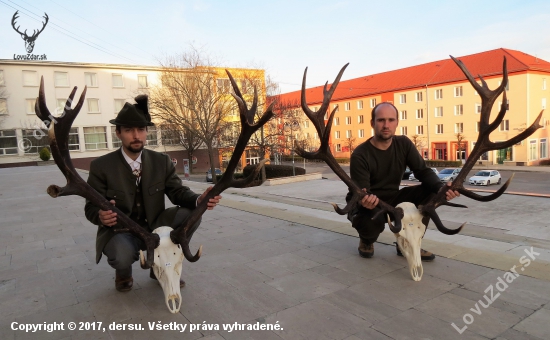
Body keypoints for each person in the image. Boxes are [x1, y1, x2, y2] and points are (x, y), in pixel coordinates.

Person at [84, 95, 221, 292]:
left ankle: (159, 265)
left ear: (146, 131)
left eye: (141, 129)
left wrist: (199, 200)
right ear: (118, 133)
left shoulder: (161, 161)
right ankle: (123, 271)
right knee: (120, 254)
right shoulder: (101, 166)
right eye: (129, 130)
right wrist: (100, 216)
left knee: (192, 214)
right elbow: (90, 206)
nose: (136, 135)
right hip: (122, 231)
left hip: (155, 227)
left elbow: (177, 191)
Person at [347, 102, 459, 259]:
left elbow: (423, 171)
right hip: (366, 203)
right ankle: (366, 240)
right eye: (381, 120)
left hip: (393, 197)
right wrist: (363, 200)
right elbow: (362, 191)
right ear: (372, 123)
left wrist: (441, 189)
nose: (386, 125)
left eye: (391, 120)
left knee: (430, 192)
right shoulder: (360, 154)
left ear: (397, 123)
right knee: (372, 224)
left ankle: (408, 242)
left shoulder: (404, 144)